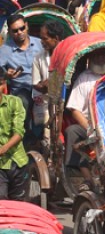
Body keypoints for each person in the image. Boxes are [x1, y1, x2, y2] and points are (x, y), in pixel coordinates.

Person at [64, 50, 105, 189]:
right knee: (72, 131)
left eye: (103, 55)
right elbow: (75, 109)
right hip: (90, 123)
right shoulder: (84, 78)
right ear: (90, 58)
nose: (100, 58)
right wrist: (91, 128)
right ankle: (84, 178)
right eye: (96, 55)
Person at [0, 15, 43, 141]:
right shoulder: (5, 50)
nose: (19, 32)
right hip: (21, 89)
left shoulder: (40, 43)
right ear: (10, 32)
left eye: (22, 28)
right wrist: (6, 75)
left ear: (26, 26)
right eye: (15, 30)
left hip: (42, 86)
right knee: (21, 102)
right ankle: (23, 136)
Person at [31, 20, 64, 149]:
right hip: (46, 102)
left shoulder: (67, 54)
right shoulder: (39, 57)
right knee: (47, 124)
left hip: (65, 101)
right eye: (41, 38)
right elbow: (36, 84)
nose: (41, 41)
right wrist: (48, 84)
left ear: (56, 38)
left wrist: (49, 83)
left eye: (45, 38)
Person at [0, 68, 30, 201]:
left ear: (4, 85)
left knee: (19, 206)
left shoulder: (14, 102)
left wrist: (4, 148)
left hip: (17, 161)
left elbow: (19, 132)